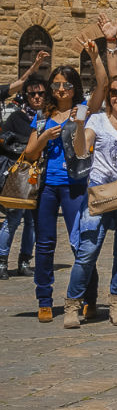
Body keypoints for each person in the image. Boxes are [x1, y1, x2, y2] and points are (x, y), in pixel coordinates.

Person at [66, 72, 117, 329]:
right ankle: (73, 305)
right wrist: (80, 126)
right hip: (100, 192)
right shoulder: (98, 120)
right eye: (114, 92)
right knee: (87, 252)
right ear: (108, 97)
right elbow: (81, 151)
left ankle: (116, 304)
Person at [25, 65, 88, 323]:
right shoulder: (42, 116)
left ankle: (84, 296)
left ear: (75, 88)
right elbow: (30, 152)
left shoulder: (82, 110)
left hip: (74, 185)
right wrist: (44, 137)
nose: (62, 90)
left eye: (67, 85)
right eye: (57, 85)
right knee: (45, 243)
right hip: (47, 186)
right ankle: (44, 299)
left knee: (81, 243)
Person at [0, 76, 43, 280]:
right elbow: (4, 142)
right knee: (13, 219)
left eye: (40, 93)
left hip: (40, 176)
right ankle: (1, 261)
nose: (36, 97)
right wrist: (28, 148)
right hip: (20, 175)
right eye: (32, 94)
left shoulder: (48, 117)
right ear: (26, 96)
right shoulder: (16, 117)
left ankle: (25, 261)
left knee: (32, 223)